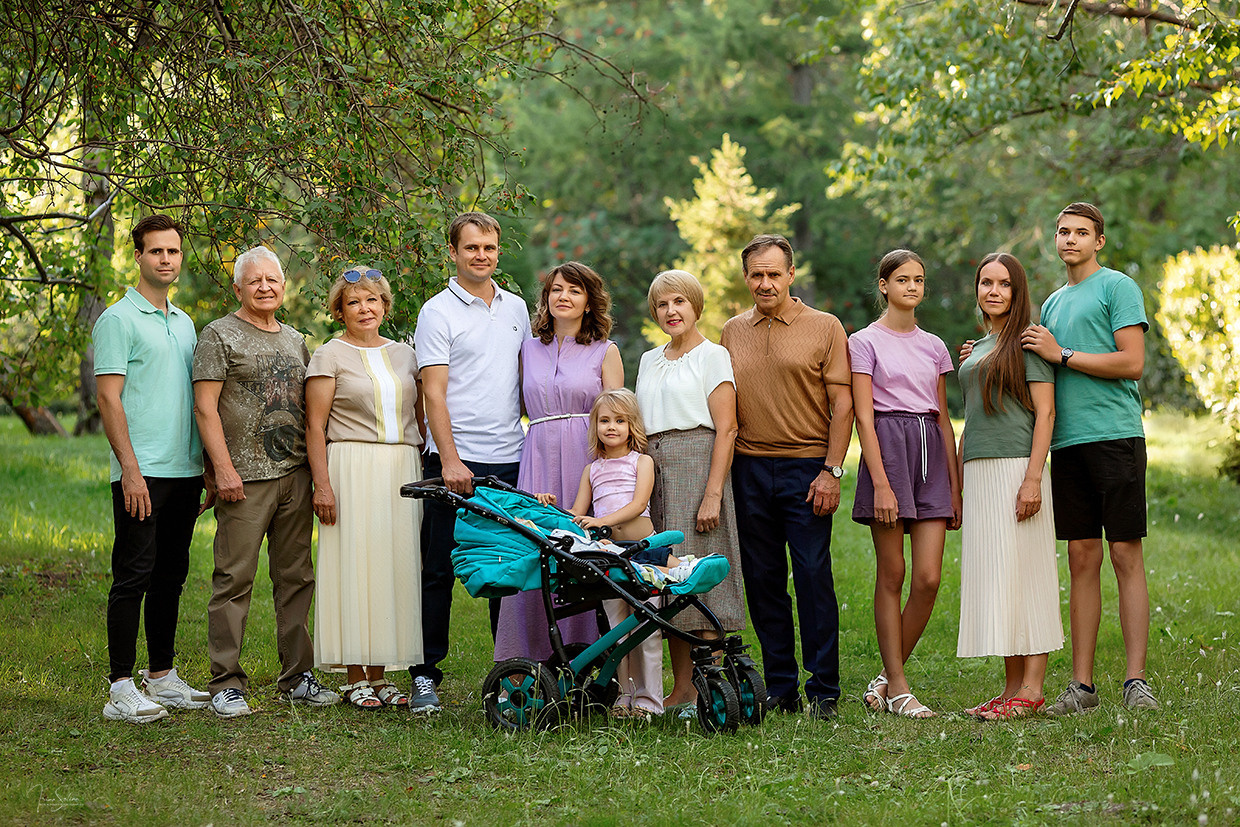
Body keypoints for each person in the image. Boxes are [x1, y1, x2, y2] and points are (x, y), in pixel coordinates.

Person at [1020, 202, 1158, 714]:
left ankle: (1135, 681)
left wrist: (1063, 354)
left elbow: (1132, 362)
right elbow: (1039, 371)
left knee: (1124, 554)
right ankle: (1082, 687)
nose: (1070, 239)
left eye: (1081, 232)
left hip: (1115, 435)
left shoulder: (1118, 287)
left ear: (1098, 241)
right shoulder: (1053, 304)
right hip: (1067, 444)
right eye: (1063, 231)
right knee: (1081, 558)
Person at [193, 245, 339, 717]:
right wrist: (223, 469)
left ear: (283, 286)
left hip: (294, 475)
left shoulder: (295, 339)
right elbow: (205, 409)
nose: (264, 287)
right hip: (244, 480)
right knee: (234, 578)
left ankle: (297, 676)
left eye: (271, 279)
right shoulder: (219, 335)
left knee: (296, 578)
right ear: (237, 288)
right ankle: (225, 682)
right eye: (254, 280)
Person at [719, 234, 853, 720]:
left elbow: (843, 404)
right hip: (749, 467)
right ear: (746, 277)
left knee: (813, 576)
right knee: (763, 579)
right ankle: (781, 686)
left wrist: (831, 471)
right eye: (756, 274)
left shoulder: (825, 326)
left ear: (791, 274)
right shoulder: (732, 331)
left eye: (774, 274)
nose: (765, 283)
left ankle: (824, 690)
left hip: (808, 467)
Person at [93, 214, 210, 723]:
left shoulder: (184, 323)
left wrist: (205, 466)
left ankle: (161, 676)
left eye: (173, 251)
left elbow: (194, 400)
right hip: (141, 472)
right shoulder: (117, 320)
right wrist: (130, 470)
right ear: (138, 255)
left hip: (185, 471)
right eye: (156, 251)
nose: (166, 259)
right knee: (133, 575)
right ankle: (120, 688)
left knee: (170, 577)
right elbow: (108, 399)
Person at [412, 212, 530, 711]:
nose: (481, 256)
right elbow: (433, 393)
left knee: (509, 572)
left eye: (489, 248)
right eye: (471, 247)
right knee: (438, 570)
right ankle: (425, 675)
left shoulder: (517, 308)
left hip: (511, 458)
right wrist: (450, 460)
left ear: (498, 251)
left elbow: (523, 381)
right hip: (455, 462)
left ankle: (510, 673)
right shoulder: (436, 312)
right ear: (453, 252)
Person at [306, 268, 426, 709]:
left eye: (372, 300)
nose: (364, 308)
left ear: (385, 307)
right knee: (353, 566)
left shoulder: (405, 355)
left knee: (393, 565)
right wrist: (322, 485)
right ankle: (355, 675)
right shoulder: (329, 355)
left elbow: (420, 416)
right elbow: (314, 427)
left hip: (401, 468)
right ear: (340, 310)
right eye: (354, 301)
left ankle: (380, 675)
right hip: (351, 466)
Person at [493, 261, 623, 664]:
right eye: (556, 289)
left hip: (586, 457)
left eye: (574, 290)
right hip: (537, 456)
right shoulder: (528, 349)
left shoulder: (605, 350)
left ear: (589, 302)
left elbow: (617, 416)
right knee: (534, 547)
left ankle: (587, 657)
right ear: (546, 298)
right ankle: (525, 661)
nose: (563, 297)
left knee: (583, 551)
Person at [851, 249, 961, 719]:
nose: (912, 287)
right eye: (902, 279)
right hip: (889, 452)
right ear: (884, 285)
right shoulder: (863, 341)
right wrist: (881, 483)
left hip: (930, 452)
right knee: (893, 573)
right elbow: (863, 416)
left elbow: (943, 418)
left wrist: (954, 487)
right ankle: (898, 687)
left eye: (918, 279)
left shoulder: (934, 345)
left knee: (929, 578)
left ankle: (884, 678)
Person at [956, 253, 1062, 720]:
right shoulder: (979, 346)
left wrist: (1032, 479)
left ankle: (1032, 690)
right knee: (1001, 580)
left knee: (1028, 576)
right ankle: (1010, 689)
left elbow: (1046, 413)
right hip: (980, 472)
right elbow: (973, 413)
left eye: (1003, 284)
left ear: (1017, 292)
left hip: (1017, 469)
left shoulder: (1028, 342)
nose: (993, 291)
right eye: (986, 282)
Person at [635, 269, 742, 711]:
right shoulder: (648, 359)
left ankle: (708, 687)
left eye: (679, 301)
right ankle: (682, 688)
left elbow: (727, 428)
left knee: (701, 579)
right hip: (654, 470)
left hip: (696, 466)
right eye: (662, 304)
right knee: (669, 581)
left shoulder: (713, 355)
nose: (671, 311)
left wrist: (713, 493)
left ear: (695, 306)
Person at [560, 389, 673, 720]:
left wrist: (602, 521)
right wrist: (548, 505)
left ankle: (649, 702)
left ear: (632, 425)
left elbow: (638, 505)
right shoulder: (592, 470)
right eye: (605, 420)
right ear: (595, 426)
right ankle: (624, 697)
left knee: (647, 628)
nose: (612, 427)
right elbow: (577, 513)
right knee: (617, 630)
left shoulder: (642, 462)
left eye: (620, 420)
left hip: (643, 552)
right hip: (609, 555)